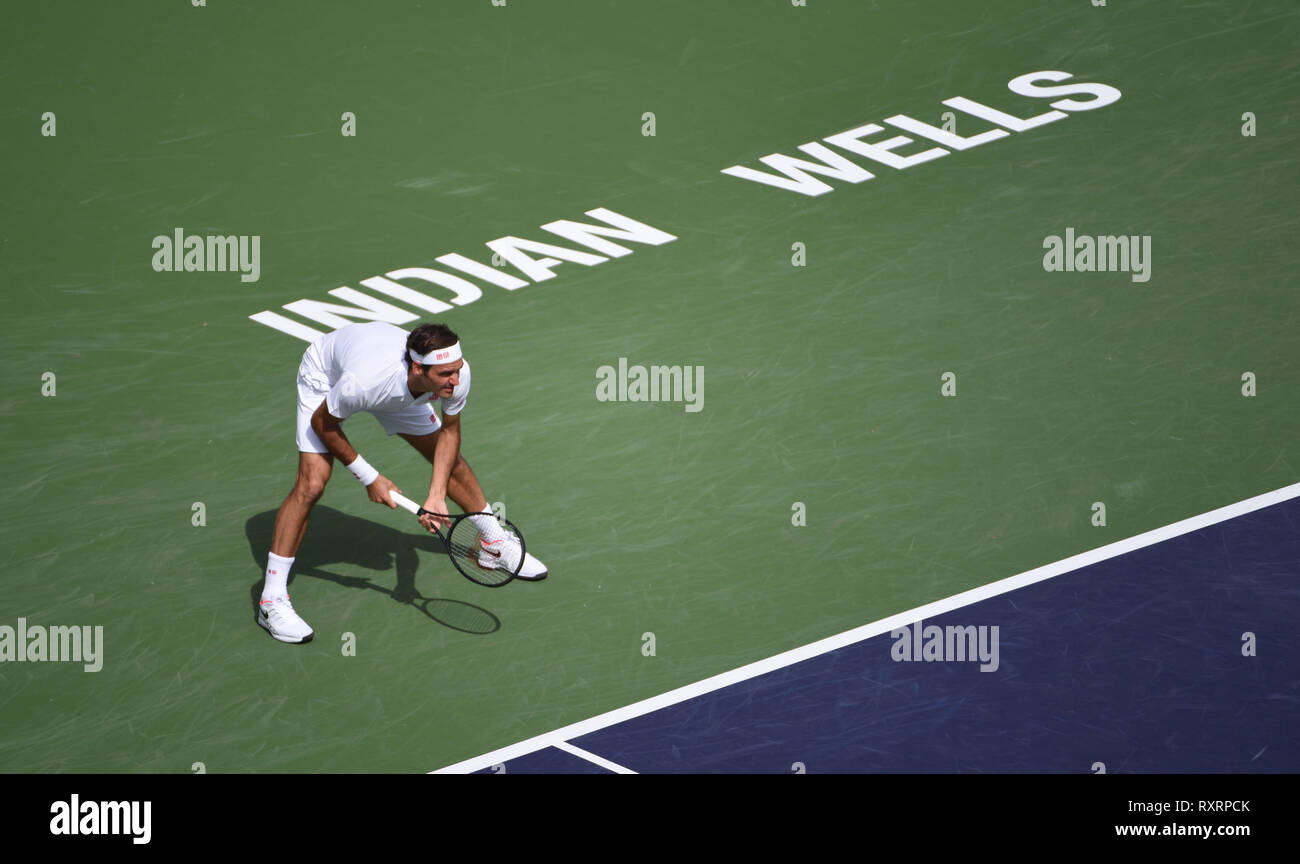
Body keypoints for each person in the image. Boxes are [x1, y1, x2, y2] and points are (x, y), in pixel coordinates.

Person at [258, 321, 546, 643]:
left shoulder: (454, 375)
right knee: (313, 482)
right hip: (327, 377)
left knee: (450, 462)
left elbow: (450, 434)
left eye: (457, 370)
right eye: (445, 375)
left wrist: (437, 497)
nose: (455, 380)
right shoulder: (362, 382)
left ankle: (492, 542)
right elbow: (324, 423)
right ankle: (271, 601)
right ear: (419, 369)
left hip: (401, 391)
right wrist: (371, 478)